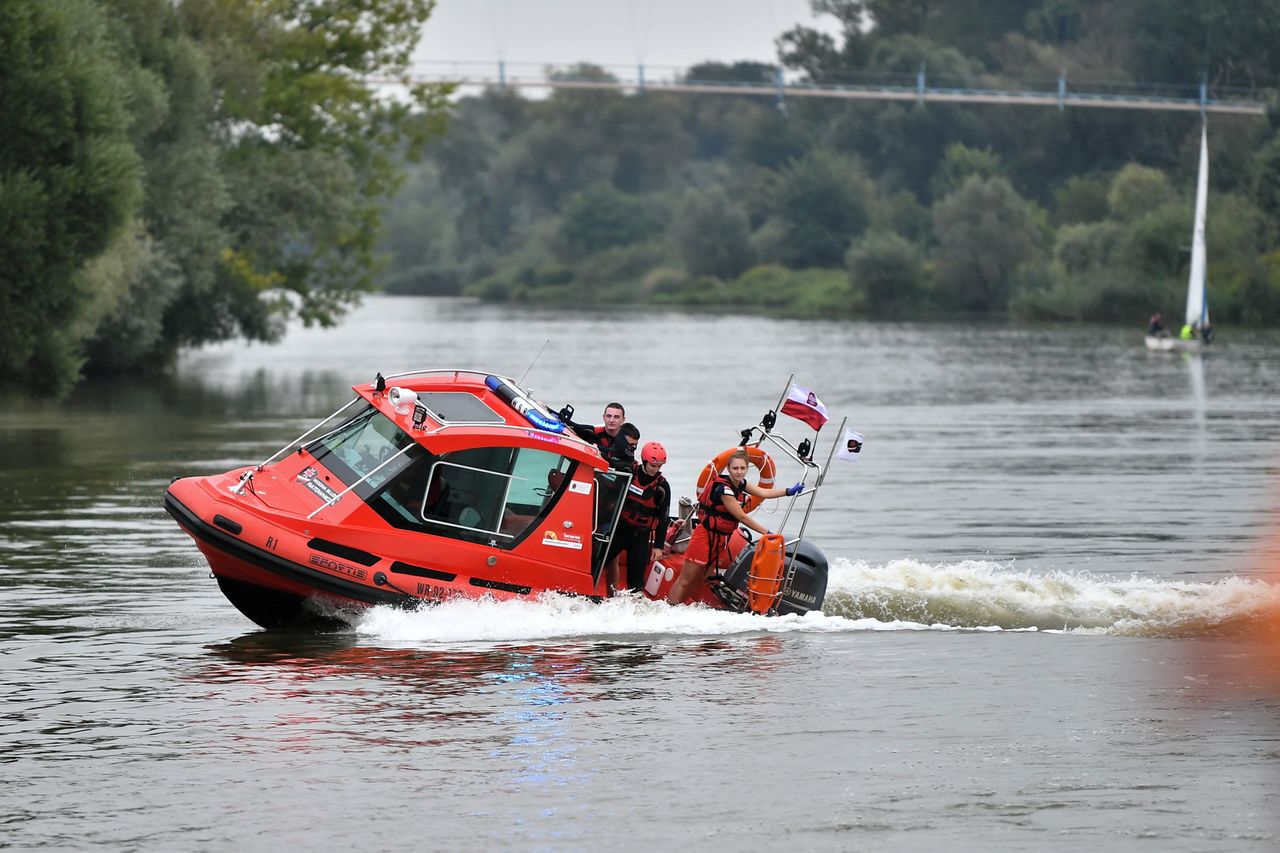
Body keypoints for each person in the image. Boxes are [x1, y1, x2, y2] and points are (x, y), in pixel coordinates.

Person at [666, 449, 804, 605]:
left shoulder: (741, 483)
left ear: (746, 469)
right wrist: (768, 533)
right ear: (728, 469)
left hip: (721, 539)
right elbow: (741, 516)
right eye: (735, 468)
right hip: (704, 536)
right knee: (686, 580)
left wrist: (788, 491)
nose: (739, 472)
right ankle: (670, 608)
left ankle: (681, 607)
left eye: (742, 468)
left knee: (700, 579)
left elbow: (763, 492)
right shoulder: (723, 489)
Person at [604, 441, 671, 592]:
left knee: (636, 580)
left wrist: (658, 547)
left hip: (640, 535)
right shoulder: (629, 471)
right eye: (653, 465)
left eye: (659, 467)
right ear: (644, 461)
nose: (656, 469)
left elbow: (663, 519)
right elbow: (608, 460)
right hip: (619, 529)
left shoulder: (662, 487)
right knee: (598, 561)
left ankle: (633, 608)